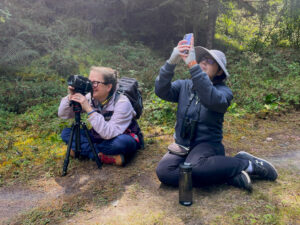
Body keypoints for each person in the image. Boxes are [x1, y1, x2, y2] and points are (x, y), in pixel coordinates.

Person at [155, 37, 278, 191]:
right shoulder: (184, 86)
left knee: (195, 169)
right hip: (183, 145)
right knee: (164, 172)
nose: (204, 62)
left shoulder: (223, 92)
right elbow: (160, 90)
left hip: (208, 146)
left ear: (219, 71)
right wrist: (171, 62)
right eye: (202, 59)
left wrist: (193, 66)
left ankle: (247, 164)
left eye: (210, 61)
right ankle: (227, 174)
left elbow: (210, 99)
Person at [58, 66, 142, 166]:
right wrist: (70, 96)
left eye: (95, 83)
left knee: (121, 143)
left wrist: (89, 109)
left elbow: (109, 133)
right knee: (67, 133)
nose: (91, 86)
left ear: (109, 87)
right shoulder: (90, 97)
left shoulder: (122, 102)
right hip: (99, 136)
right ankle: (102, 156)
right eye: (90, 82)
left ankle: (81, 150)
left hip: (120, 136)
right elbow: (63, 114)